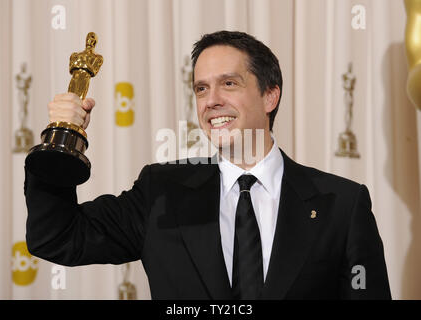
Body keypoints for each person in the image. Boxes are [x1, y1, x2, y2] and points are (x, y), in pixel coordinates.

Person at [24, 30, 391, 300]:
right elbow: (57, 239)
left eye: (228, 83)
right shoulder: (161, 193)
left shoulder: (341, 204)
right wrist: (59, 143)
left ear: (270, 95)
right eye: (201, 88)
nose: (211, 100)